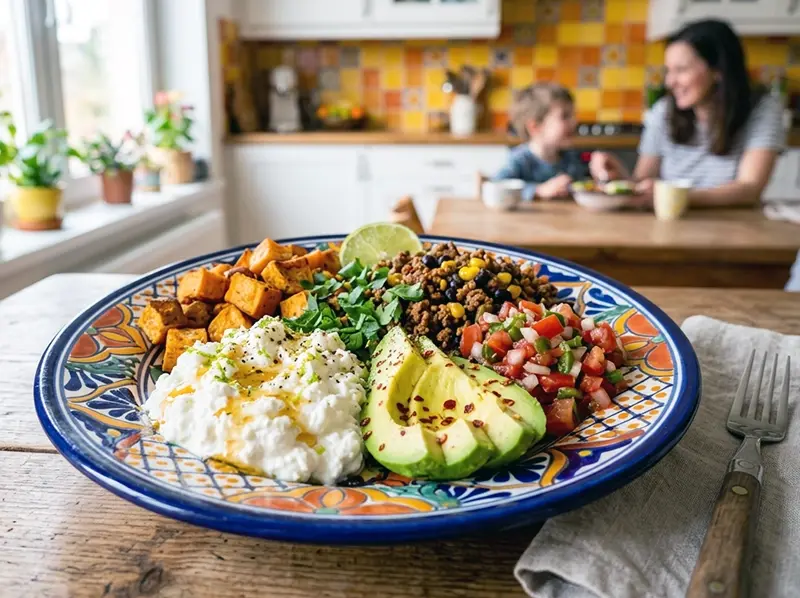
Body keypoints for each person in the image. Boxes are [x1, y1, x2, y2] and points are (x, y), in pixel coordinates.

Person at [591, 19, 786, 208]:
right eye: (669, 71)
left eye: (681, 70)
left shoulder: (763, 109)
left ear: (718, 71)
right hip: (670, 225)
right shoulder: (663, 111)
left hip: (734, 229)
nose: (669, 82)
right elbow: (644, 180)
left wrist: (676, 197)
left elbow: (749, 188)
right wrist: (620, 178)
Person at [493, 83, 589, 202]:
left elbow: (585, 184)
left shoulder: (571, 158)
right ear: (535, 127)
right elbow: (498, 186)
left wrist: (601, 170)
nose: (574, 122)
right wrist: (538, 190)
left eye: (573, 115)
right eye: (565, 116)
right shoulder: (520, 159)